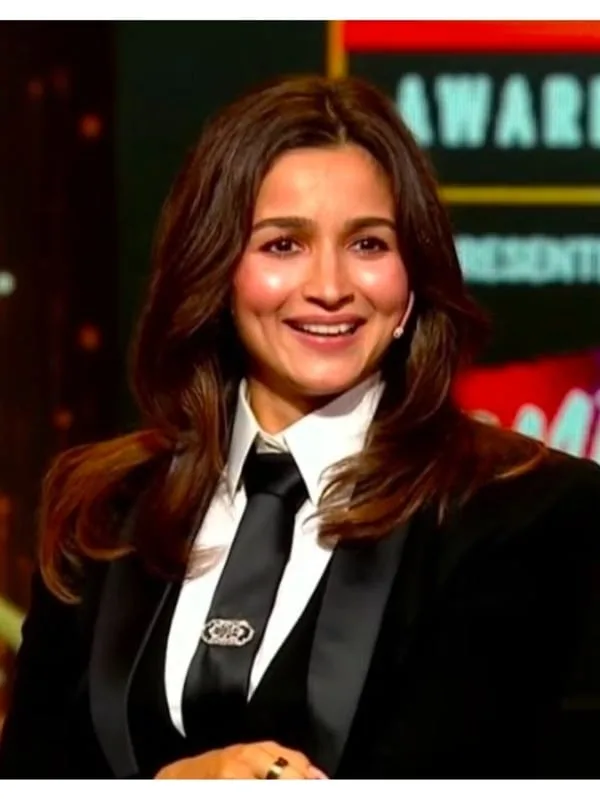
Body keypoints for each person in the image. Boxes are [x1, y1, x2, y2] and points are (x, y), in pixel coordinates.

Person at [1, 74, 599, 781]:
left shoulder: (534, 512)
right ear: (217, 270)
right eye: (283, 245)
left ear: (412, 282)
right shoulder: (105, 508)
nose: (330, 287)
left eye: (368, 244)